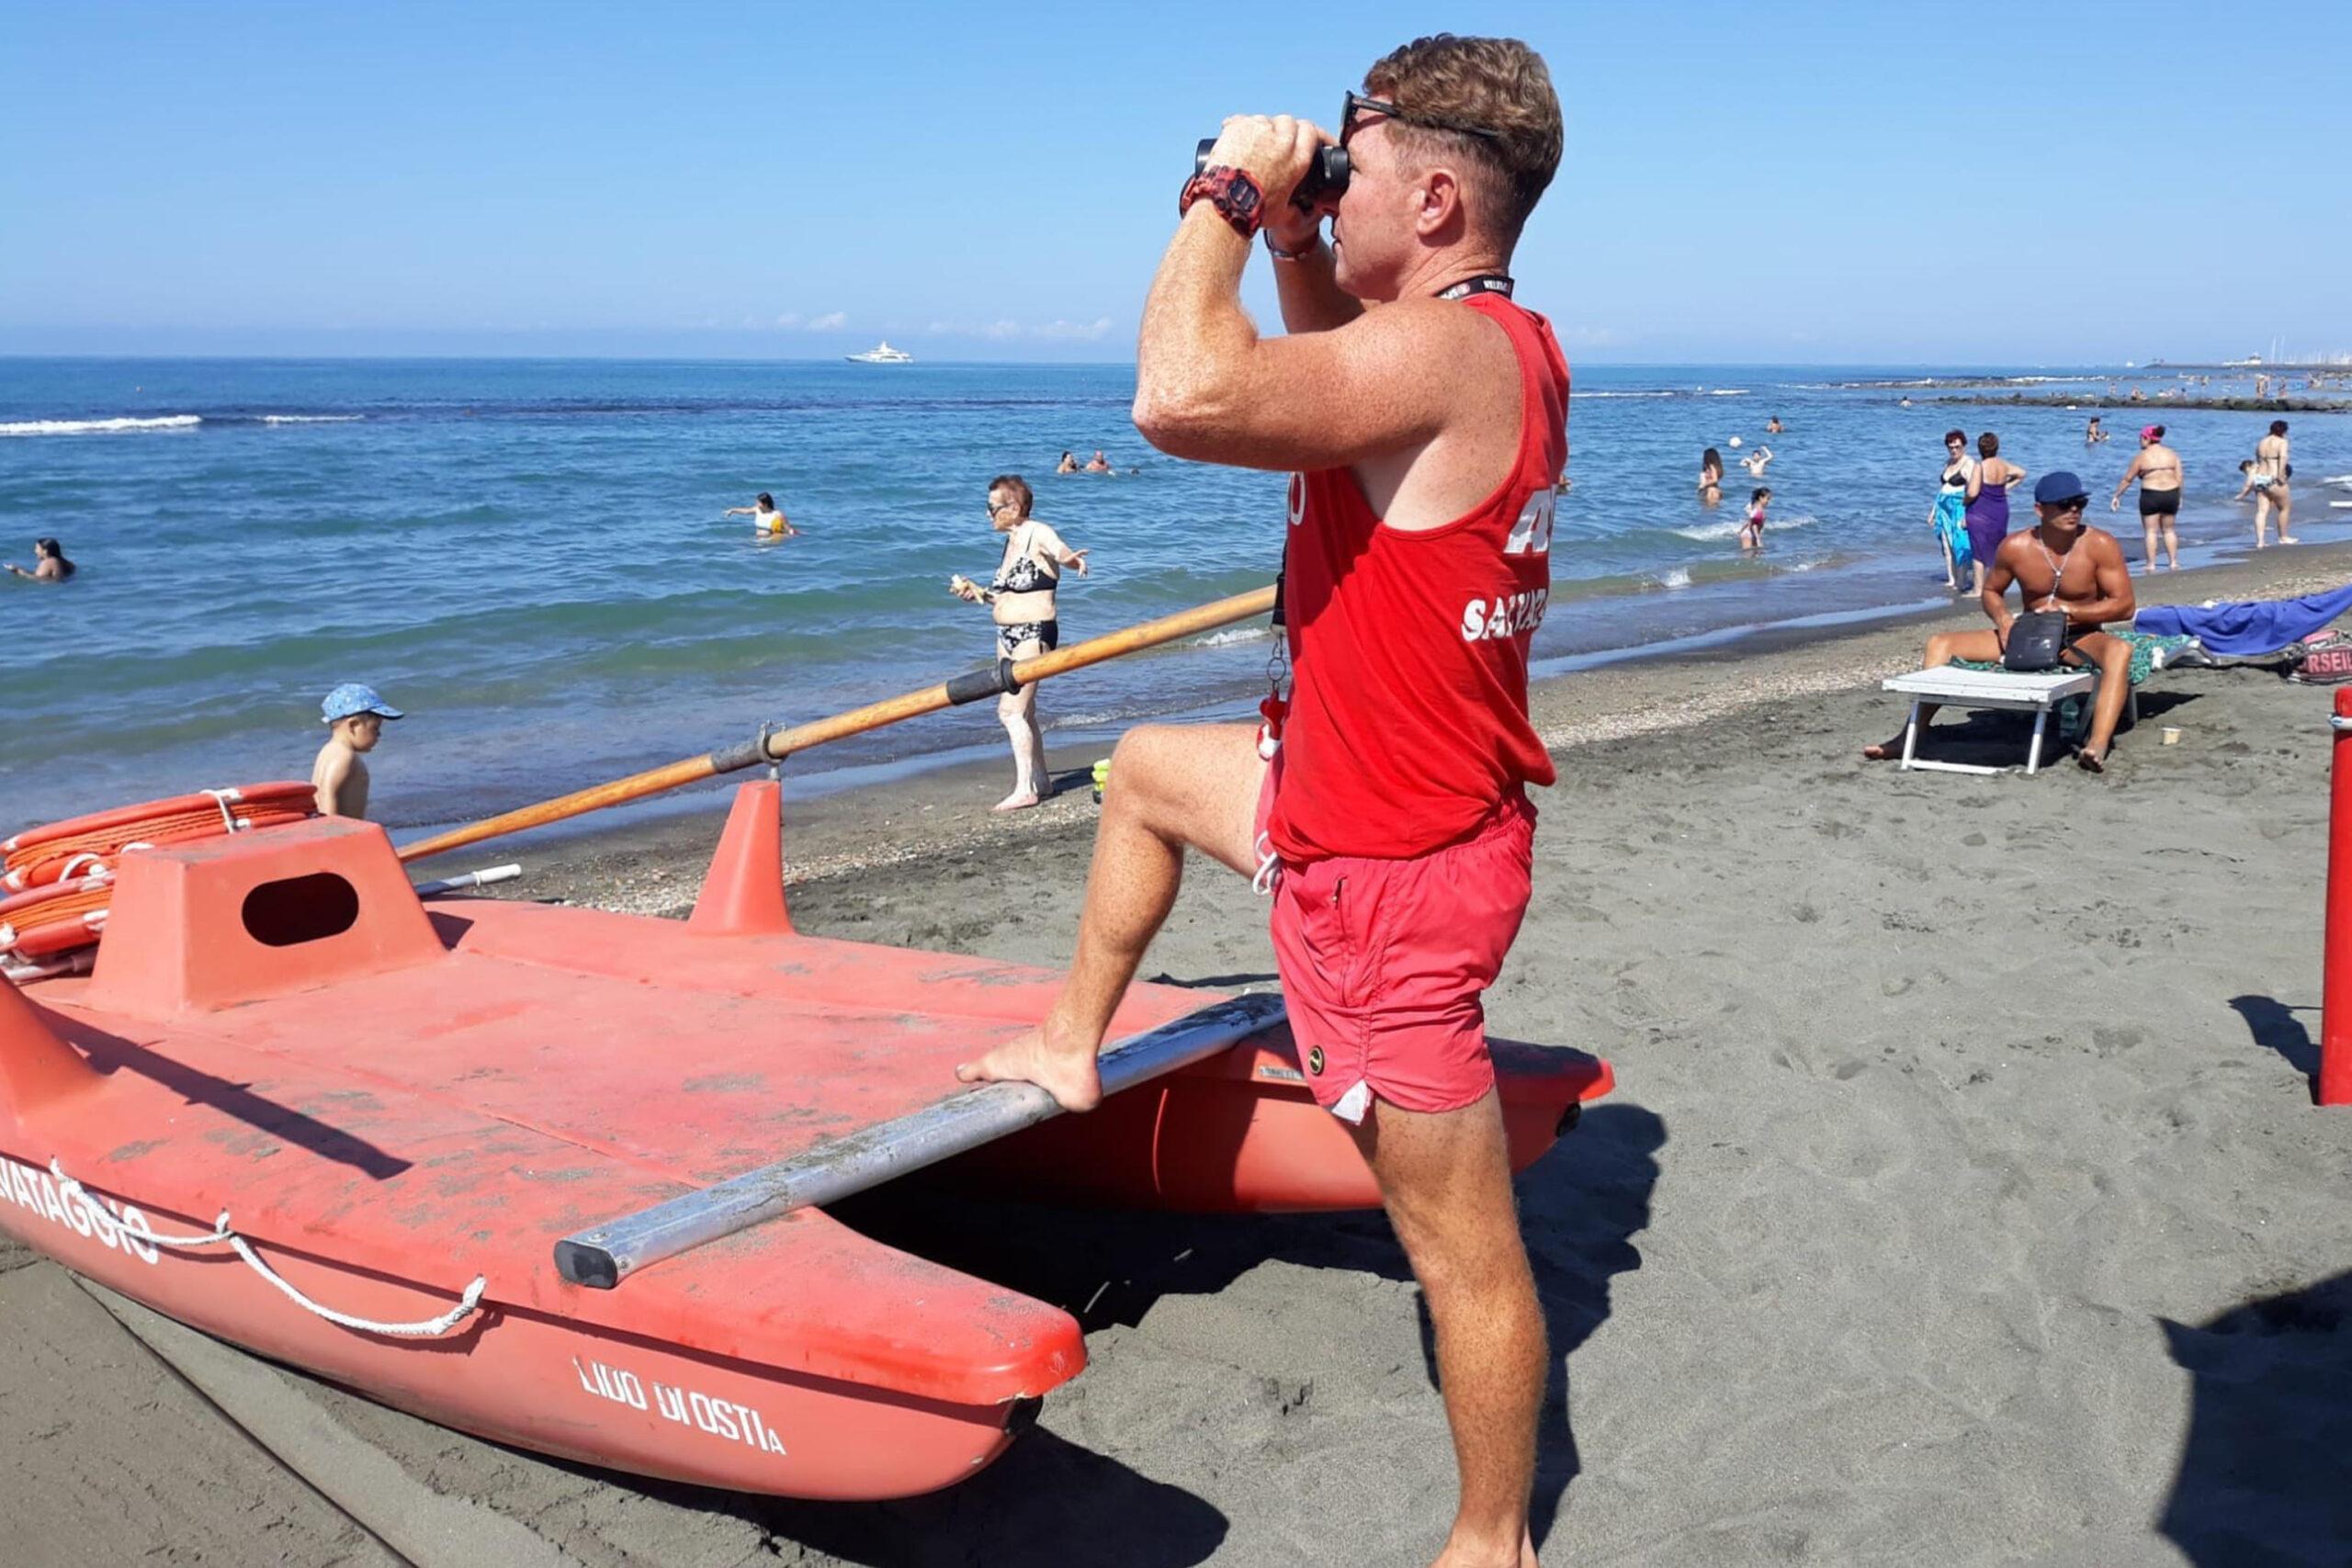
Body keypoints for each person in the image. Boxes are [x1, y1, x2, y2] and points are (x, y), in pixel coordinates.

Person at [955, 36, 1566, 1567]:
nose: (1323, 184)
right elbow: (1327, 383)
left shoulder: (1438, 354)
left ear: (1432, 194)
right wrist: (1301, 237)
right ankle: (1068, 1045)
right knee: (1149, 773)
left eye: (1347, 169)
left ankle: (1491, 1542)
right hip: (1350, 801)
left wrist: (1227, 188)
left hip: (1389, 879)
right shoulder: (1499, 343)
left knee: (1466, 1261)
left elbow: (1182, 392)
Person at [1863, 471, 2135, 773]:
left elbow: (2124, 606)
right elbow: (1992, 591)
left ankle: (2097, 744)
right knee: (1940, 643)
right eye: (2064, 504)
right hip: (2028, 633)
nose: (2074, 510)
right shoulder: (2016, 547)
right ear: (2040, 509)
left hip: (2079, 636)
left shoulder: (2099, 544)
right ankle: (1909, 738)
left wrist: (2070, 610)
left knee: (2119, 650)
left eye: (2079, 503)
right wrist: (2003, 619)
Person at [949, 475, 1088, 811]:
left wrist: (1073, 561)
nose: (987, 514)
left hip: (1034, 633)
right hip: (1006, 636)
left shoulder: (1036, 532)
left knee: (1010, 712)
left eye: (991, 507)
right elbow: (1008, 596)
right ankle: (1041, 780)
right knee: (1026, 711)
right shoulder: (1009, 543)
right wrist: (978, 594)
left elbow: (1059, 551)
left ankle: (1024, 788)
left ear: (1013, 507)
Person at [311, 682, 403, 819]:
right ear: (353, 725)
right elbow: (326, 798)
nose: (379, 735)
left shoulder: (328, 751)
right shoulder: (343, 756)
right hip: (342, 835)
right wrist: (333, 835)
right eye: (375, 728)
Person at [2109, 424, 2181, 572]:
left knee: (2151, 531)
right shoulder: (2172, 454)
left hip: (2151, 495)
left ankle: (2151, 564)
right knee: (2169, 530)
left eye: (2140, 438)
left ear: (2147, 438)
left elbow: (2128, 479)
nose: (2139, 442)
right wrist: (2179, 497)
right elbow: (2179, 477)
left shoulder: (2141, 457)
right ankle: (2173, 562)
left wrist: (2116, 495)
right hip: (2171, 493)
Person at [1964, 432, 2028, 593]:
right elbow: (2022, 473)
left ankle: (1978, 589)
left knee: (1978, 550)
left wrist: (1964, 502)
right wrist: (2005, 487)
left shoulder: (1980, 466)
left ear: (1980, 449)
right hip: (2000, 510)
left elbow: (1972, 492)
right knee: (1995, 548)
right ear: (1996, 448)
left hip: (1980, 511)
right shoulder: (2003, 465)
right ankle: (1995, 585)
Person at [1930, 430, 1975, 590]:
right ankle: (1951, 579)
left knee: (1960, 544)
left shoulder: (1969, 464)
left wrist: (1968, 514)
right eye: (1951, 447)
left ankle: (1962, 580)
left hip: (1959, 508)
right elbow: (1942, 489)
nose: (1954, 450)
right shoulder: (1948, 462)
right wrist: (1933, 511)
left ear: (1964, 446)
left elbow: (1973, 490)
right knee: (1946, 545)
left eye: (1957, 447)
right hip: (1943, 508)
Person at [2253, 419, 2296, 546]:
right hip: (2273, 477)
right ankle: (2283, 537)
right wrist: (2281, 474)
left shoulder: (2262, 442)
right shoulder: (2282, 442)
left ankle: (2260, 541)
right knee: (2284, 507)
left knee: (2262, 510)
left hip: (2260, 477)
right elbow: (2283, 457)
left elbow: (2258, 458)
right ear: (2283, 431)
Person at [723, 492, 797, 538]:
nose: (756, 504)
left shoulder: (777, 514)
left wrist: (793, 535)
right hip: (757, 539)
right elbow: (745, 511)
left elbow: (788, 529)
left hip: (771, 542)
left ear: (765, 504)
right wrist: (732, 510)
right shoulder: (757, 510)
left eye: (758, 503)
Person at [4, 536, 75, 582]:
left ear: (45, 551)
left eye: (37, 549)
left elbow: (39, 579)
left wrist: (19, 572)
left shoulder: (47, 562)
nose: (35, 551)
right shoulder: (67, 562)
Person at [1741, 486, 1770, 550]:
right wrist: (1758, 539)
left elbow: (1749, 521)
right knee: (1748, 556)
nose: (1768, 501)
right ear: (1760, 498)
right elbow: (1754, 525)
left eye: (1769, 499)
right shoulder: (1759, 510)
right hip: (1750, 534)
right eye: (1767, 499)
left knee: (1750, 556)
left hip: (1748, 534)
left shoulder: (1755, 507)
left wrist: (1741, 530)